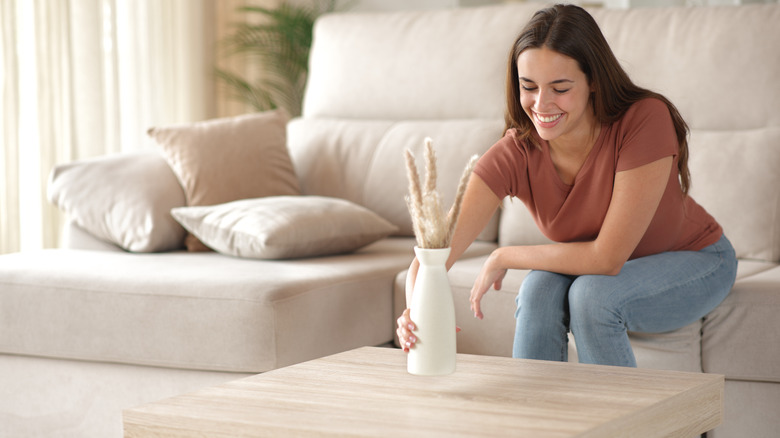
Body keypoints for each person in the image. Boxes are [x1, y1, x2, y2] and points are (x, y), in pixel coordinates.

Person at [396, 4, 737, 367]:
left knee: (592, 296)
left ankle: (617, 424)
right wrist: (413, 309)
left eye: (560, 88)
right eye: (529, 87)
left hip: (696, 259)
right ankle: (535, 417)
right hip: (605, 275)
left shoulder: (644, 119)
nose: (541, 104)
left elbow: (606, 259)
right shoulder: (516, 153)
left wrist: (502, 255)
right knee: (538, 288)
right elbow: (434, 253)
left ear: (593, 82)